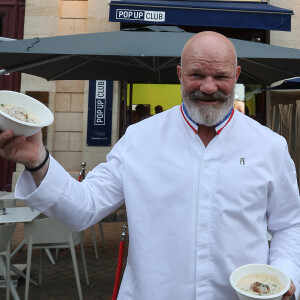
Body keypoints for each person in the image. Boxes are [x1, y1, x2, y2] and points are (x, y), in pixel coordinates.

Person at [0, 32, 299, 300]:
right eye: (197, 74)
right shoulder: (140, 139)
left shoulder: (269, 145)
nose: (209, 88)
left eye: (220, 76)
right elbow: (84, 207)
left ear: (236, 75)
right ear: (180, 74)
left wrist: (284, 275)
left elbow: (289, 224)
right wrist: (38, 161)